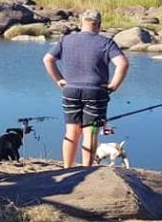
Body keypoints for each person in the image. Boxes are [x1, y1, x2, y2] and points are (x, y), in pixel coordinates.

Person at [42, 9, 129, 168]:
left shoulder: (66, 40)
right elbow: (123, 64)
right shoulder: (106, 43)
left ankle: (67, 168)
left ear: (81, 23)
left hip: (70, 90)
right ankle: (85, 170)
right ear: (99, 24)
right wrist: (113, 86)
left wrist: (59, 79)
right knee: (91, 132)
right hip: (96, 92)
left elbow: (48, 59)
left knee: (71, 132)